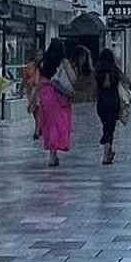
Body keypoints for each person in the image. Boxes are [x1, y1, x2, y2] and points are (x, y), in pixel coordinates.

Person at [36, 39, 78, 167]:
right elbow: (73, 78)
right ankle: (54, 153)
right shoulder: (63, 62)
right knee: (60, 123)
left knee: (49, 124)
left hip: (45, 95)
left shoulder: (43, 62)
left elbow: (38, 82)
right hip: (59, 95)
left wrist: (33, 99)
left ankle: (52, 154)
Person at [94, 48, 127, 165]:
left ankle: (107, 150)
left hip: (101, 102)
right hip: (113, 101)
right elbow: (125, 80)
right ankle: (107, 150)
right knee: (110, 127)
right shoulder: (114, 70)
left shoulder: (98, 70)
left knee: (105, 125)